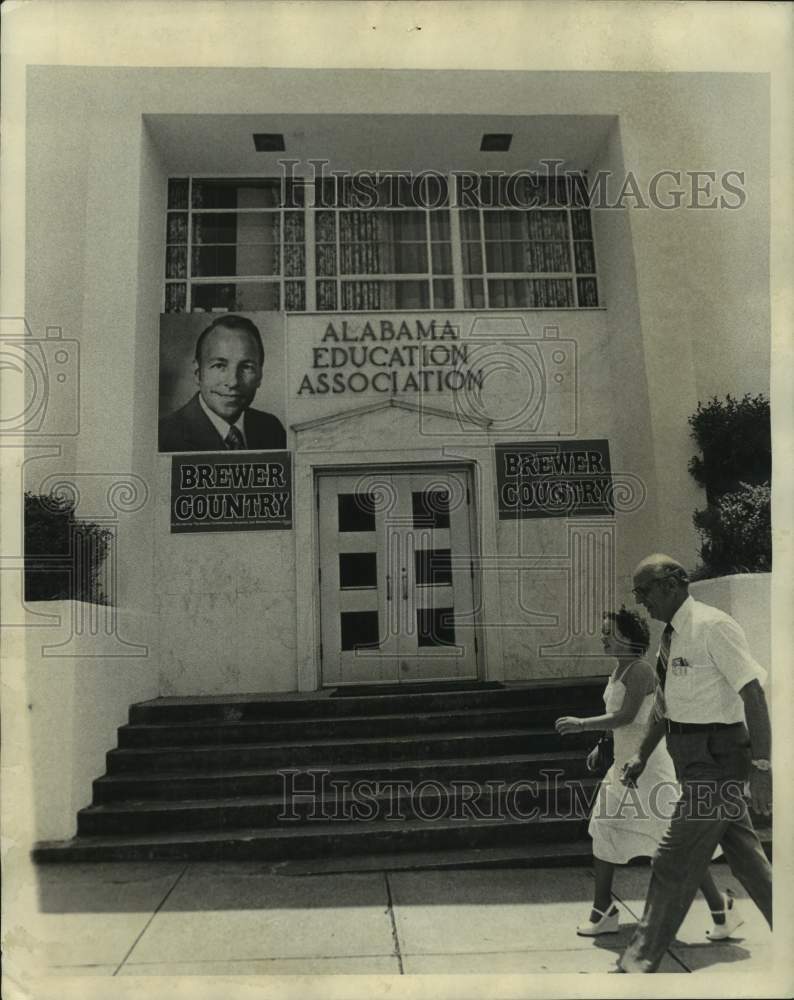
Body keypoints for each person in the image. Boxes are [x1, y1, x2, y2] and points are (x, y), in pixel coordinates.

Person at [614, 554, 772, 973]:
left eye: (644, 591)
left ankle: (639, 961)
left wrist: (762, 766)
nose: (641, 601)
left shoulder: (712, 627)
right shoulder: (672, 636)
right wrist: (641, 754)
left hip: (717, 763)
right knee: (747, 862)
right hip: (691, 762)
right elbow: (666, 707)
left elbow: (753, 694)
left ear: (674, 583)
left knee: (673, 858)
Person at [555, 607, 735, 939]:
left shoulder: (639, 670)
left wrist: (581, 724)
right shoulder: (618, 670)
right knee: (604, 828)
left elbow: (626, 716)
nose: (605, 638)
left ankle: (719, 907)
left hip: (648, 769)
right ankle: (602, 910)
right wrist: (602, 745)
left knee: (673, 845)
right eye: (603, 632)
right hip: (623, 766)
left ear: (632, 638)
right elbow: (621, 722)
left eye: (612, 632)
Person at [159, 314, 287, 452]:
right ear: (198, 373)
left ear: (260, 375)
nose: (233, 382)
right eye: (219, 366)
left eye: (246, 367)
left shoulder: (271, 428)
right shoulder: (163, 437)